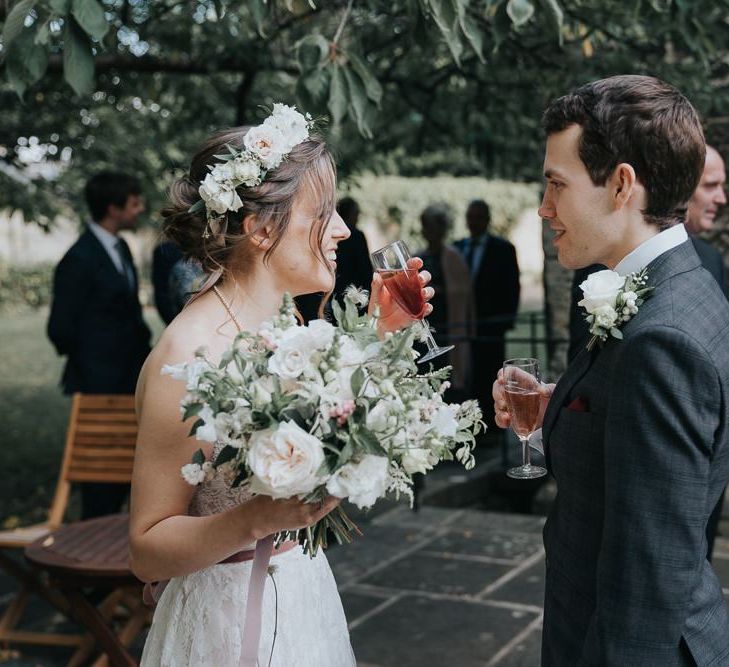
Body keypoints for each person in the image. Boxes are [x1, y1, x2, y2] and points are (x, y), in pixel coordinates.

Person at [130, 111, 434, 666]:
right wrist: (255, 518)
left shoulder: (285, 321)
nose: (342, 229)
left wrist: (378, 335)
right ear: (261, 228)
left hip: (299, 593)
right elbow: (147, 549)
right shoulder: (188, 356)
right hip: (227, 623)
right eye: (323, 213)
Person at [494, 75, 729, 664]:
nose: (545, 209)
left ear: (622, 184)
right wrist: (562, 404)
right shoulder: (677, 289)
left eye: (557, 185)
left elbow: (648, 575)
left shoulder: (662, 339)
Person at [48, 172, 151, 519]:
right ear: (113, 208)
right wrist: (98, 365)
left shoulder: (120, 248)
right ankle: (90, 559)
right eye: (134, 202)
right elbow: (59, 328)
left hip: (131, 382)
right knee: (101, 486)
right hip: (99, 387)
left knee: (131, 477)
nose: (140, 209)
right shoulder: (78, 259)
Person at [454, 200, 519, 425]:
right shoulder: (458, 247)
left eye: (479, 217)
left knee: (491, 375)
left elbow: (512, 286)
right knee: (465, 374)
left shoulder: (503, 249)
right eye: (470, 217)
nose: (474, 222)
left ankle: (492, 426)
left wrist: (506, 321)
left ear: (487, 219)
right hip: (462, 325)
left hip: (491, 325)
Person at [418, 204, 473, 396]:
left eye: (430, 226)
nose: (426, 231)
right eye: (424, 226)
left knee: (448, 384)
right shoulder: (419, 257)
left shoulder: (453, 257)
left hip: (449, 330)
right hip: (424, 331)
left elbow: (463, 296)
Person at [332, 197, 372, 303]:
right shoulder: (356, 235)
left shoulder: (333, 234)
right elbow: (365, 267)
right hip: (355, 292)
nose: (357, 217)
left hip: (335, 288)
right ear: (351, 214)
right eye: (357, 213)